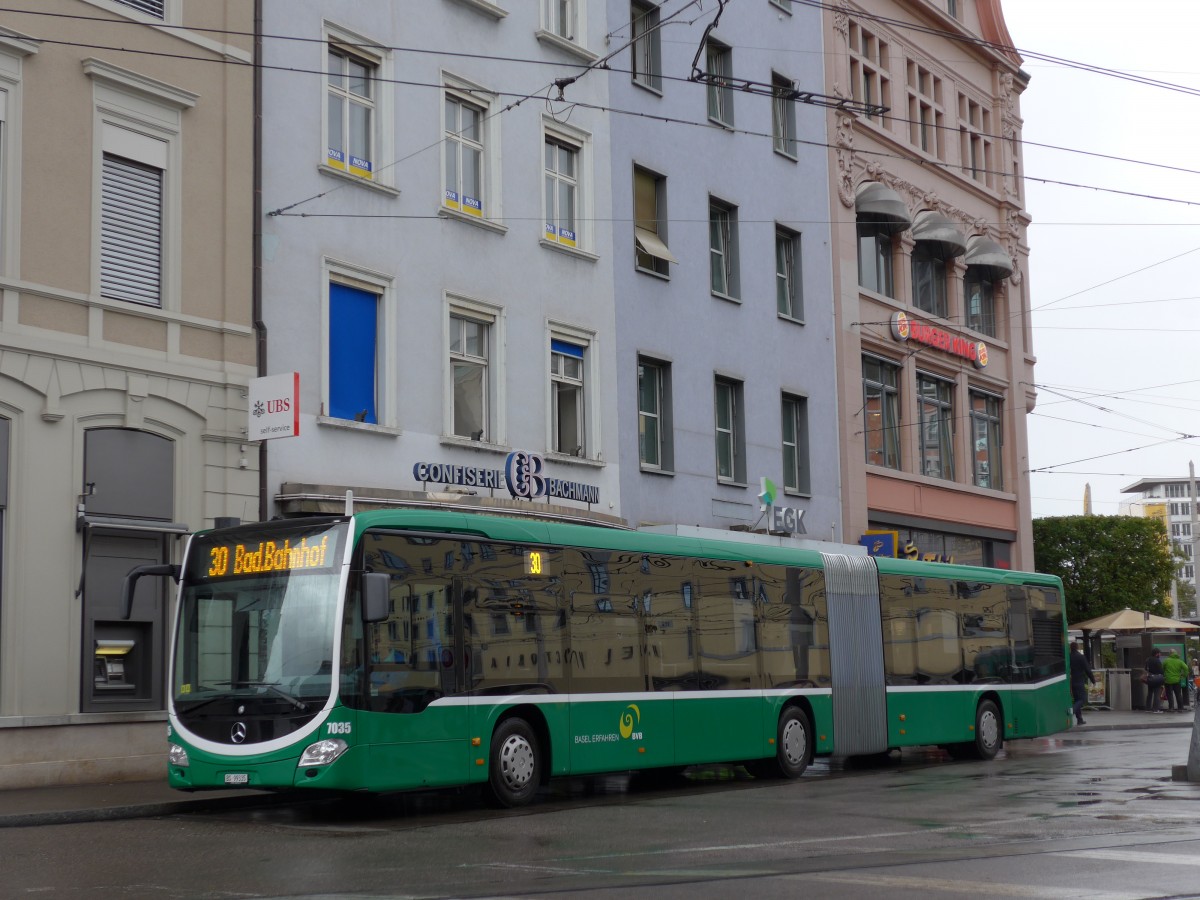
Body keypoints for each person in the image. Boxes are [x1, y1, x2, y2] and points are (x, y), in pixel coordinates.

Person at [1069, 641, 1095, 725]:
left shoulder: (1069, 657)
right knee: (1082, 699)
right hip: (1079, 681)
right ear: (1077, 647)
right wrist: (1093, 680)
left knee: (1077, 699)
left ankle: (1079, 719)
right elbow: (1088, 670)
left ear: (1070, 648)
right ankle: (1072, 710)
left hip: (1071, 682)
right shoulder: (1081, 657)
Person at [1144, 648, 1165, 713]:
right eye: (1159, 653)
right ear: (1156, 654)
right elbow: (1161, 670)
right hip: (1156, 679)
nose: (1160, 654)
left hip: (1150, 678)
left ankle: (1148, 708)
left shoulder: (1148, 659)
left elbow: (1145, 668)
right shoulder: (1157, 660)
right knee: (1157, 694)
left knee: (1149, 693)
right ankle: (1156, 709)